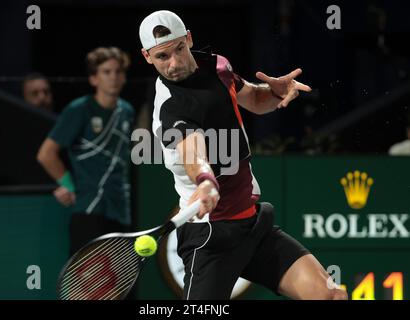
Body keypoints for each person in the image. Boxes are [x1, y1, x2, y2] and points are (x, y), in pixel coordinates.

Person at [139, 10, 348, 300]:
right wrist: (204, 180)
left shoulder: (217, 67)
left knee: (332, 296)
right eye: (162, 57)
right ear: (147, 57)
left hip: (253, 226)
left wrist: (273, 93)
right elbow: (192, 148)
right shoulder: (172, 107)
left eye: (178, 49)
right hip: (210, 237)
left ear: (188, 39)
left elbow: (253, 99)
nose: (174, 63)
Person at [37, 47, 134, 256]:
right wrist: (68, 185)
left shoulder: (127, 111)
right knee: (87, 285)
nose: (114, 77)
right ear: (93, 79)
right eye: (106, 72)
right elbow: (46, 154)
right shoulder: (79, 109)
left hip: (120, 211)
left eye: (118, 72)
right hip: (89, 209)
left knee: (118, 285)